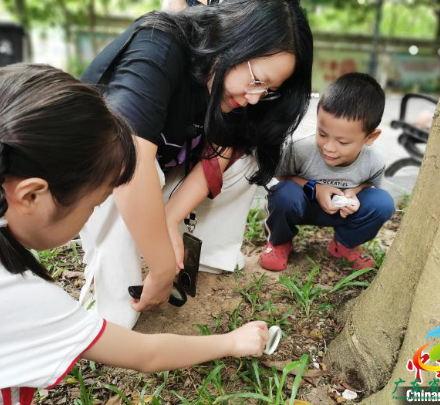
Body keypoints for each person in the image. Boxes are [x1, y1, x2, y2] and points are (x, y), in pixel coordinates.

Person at [0, 64, 269, 403]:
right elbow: (145, 354)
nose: (93, 213)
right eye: (95, 204)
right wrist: (230, 342)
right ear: (31, 195)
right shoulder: (14, 295)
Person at [79, 0, 313, 328]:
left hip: (159, 165)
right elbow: (128, 163)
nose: (256, 97)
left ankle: (207, 254)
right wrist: (161, 269)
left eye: (269, 91)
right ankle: (112, 312)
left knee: (247, 158)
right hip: (97, 170)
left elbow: (220, 151)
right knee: (130, 165)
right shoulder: (160, 45)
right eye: (257, 80)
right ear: (234, 39)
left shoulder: (234, 90)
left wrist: (170, 220)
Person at [259, 73, 395, 272]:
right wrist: (316, 188)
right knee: (284, 194)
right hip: (302, 206)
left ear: (370, 137)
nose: (329, 147)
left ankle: (345, 245)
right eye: (322, 133)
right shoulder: (300, 149)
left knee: (382, 202)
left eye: (342, 142)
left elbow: (371, 186)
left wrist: (353, 193)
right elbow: (282, 177)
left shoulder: (374, 160)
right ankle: (279, 241)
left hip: (342, 211)